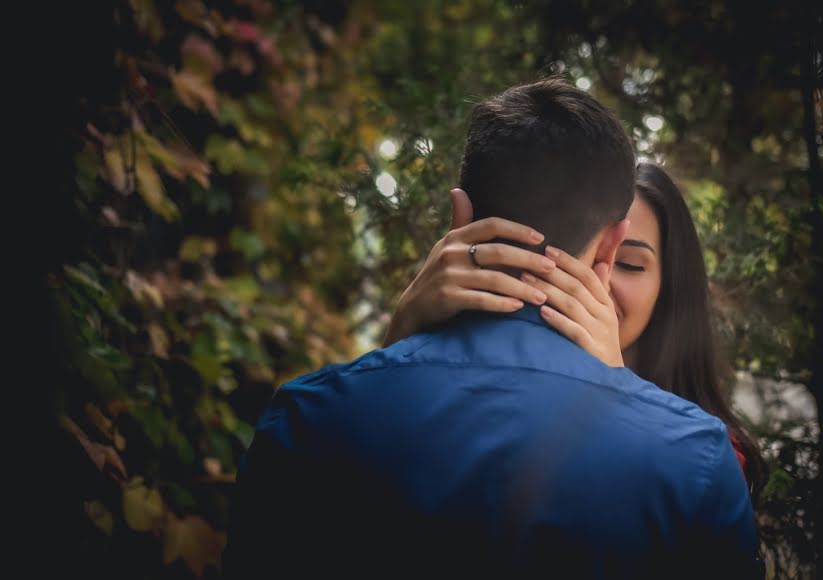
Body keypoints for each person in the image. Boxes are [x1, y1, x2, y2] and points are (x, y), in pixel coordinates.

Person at [224, 78, 762, 579]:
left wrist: (395, 361)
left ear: (460, 216)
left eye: (637, 268)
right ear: (610, 242)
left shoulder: (306, 416)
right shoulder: (693, 459)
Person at [384, 163, 767, 503]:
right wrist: (397, 343)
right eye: (579, 253)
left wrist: (620, 393)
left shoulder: (707, 458)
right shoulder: (476, 397)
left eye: (630, 264)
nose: (595, 284)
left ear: (670, 289)